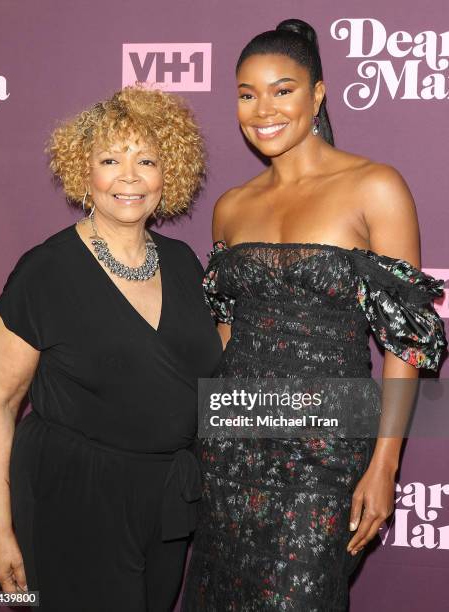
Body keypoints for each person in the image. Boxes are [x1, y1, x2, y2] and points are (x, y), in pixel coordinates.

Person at [181, 18, 447, 611]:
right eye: (247, 94)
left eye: (283, 90)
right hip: (230, 442)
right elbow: (223, 333)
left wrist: (385, 464)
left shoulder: (374, 187)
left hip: (325, 449)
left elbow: (405, 342)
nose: (262, 109)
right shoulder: (231, 207)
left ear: (317, 94)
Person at [0, 85, 222, 611]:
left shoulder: (184, 264)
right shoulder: (45, 272)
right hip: (72, 495)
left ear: (168, 174)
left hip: (167, 500)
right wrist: (0, 531)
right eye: (110, 159)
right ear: (83, 173)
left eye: (147, 160)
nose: (129, 177)